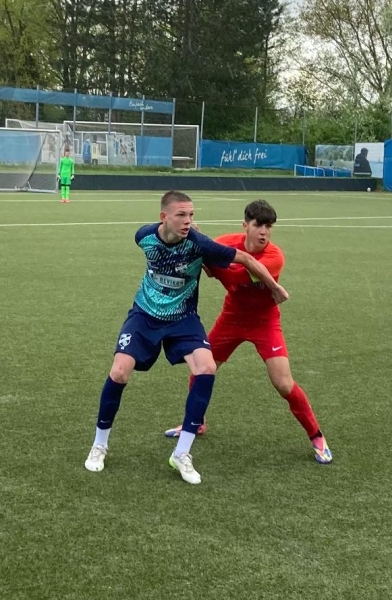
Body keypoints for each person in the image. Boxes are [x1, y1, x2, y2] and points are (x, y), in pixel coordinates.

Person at [85, 191, 289, 485]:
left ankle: (181, 453)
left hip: (183, 318)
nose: (188, 221)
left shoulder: (198, 242)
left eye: (191, 215)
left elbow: (245, 258)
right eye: (181, 215)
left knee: (206, 368)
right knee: (119, 372)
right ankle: (99, 444)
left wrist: (274, 287)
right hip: (144, 315)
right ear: (163, 217)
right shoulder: (144, 237)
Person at [164, 199, 332, 465]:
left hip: (265, 322)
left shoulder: (274, 257)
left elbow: (234, 275)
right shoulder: (227, 242)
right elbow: (206, 265)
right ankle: (196, 422)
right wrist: (196, 244)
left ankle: (317, 436)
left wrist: (204, 251)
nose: (264, 232)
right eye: (258, 225)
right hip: (231, 318)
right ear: (245, 225)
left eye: (269, 226)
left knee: (283, 383)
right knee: (201, 369)